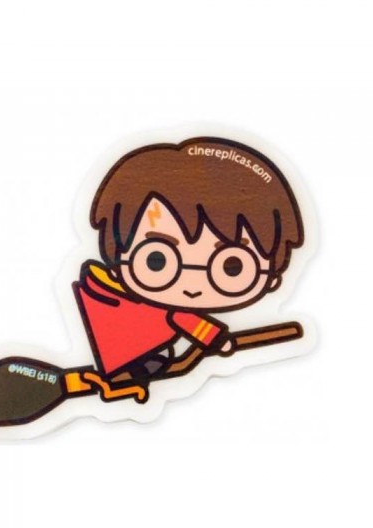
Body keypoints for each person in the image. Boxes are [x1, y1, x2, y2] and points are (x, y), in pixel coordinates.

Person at [72, 137, 304, 401]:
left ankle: (127, 373)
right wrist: (219, 341)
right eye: (157, 259)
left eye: (231, 266)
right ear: (116, 258)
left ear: (272, 277)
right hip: (127, 335)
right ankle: (126, 373)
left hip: (129, 339)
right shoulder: (159, 311)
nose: (192, 286)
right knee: (139, 353)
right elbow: (189, 322)